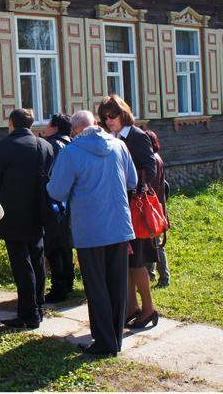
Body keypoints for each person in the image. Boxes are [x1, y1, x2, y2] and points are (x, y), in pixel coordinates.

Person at [47, 110, 137, 355]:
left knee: (97, 286)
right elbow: (132, 181)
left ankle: (105, 342)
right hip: (119, 225)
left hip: (90, 228)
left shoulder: (71, 152)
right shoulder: (118, 145)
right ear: (96, 124)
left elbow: (56, 191)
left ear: (74, 131)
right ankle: (115, 338)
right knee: (117, 284)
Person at [0, 108, 54, 329]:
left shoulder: (4, 146)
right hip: (39, 211)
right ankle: (38, 307)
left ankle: (28, 313)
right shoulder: (45, 145)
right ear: (31, 124)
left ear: (11, 123)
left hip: (13, 212)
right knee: (37, 259)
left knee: (22, 264)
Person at [98, 95, 159, 330]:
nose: (108, 120)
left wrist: (128, 183)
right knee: (125, 260)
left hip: (134, 207)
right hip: (118, 206)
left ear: (123, 113)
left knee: (136, 261)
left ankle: (149, 308)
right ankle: (131, 307)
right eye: (104, 117)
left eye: (112, 115)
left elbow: (150, 169)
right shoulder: (111, 138)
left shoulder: (136, 136)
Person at [40, 113, 74, 302]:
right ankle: (68, 282)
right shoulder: (72, 144)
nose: (44, 127)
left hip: (53, 201)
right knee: (65, 244)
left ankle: (59, 287)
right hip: (69, 201)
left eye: (48, 124)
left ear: (55, 128)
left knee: (53, 246)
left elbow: (46, 174)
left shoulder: (51, 145)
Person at [144, 129, 170, 289]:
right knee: (152, 242)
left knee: (156, 244)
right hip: (158, 206)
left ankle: (164, 278)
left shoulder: (152, 160)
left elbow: (152, 188)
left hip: (154, 208)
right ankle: (151, 273)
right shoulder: (156, 158)